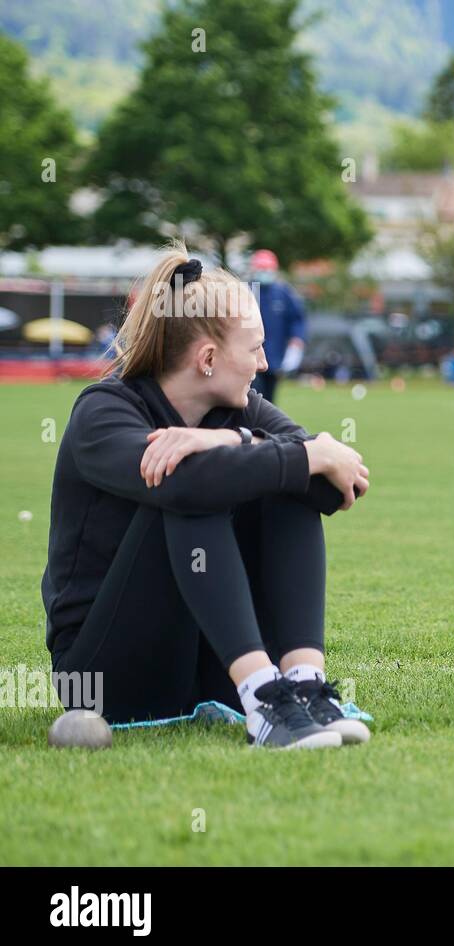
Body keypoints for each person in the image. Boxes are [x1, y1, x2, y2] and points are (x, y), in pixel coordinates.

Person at [42, 242, 372, 748]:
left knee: (285, 483)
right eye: (255, 348)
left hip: (202, 660)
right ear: (209, 358)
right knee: (192, 480)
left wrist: (231, 439)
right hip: (104, 674)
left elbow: (333, 486)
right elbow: (187, 482)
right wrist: (281, 453)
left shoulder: (242, 410)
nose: (264, 363)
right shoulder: (103, 412)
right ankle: (264, 700)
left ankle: (302, 688)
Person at [248, 248, 305, 403]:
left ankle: (266, 427)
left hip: (274, 357)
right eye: (261, 269)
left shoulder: (283, 293)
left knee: (270, 400)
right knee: (253, 397)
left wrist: (297, 340)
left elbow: (297, 320)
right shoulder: (246, 291)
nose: (264, 272)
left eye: (267, 269)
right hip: (250, 356)